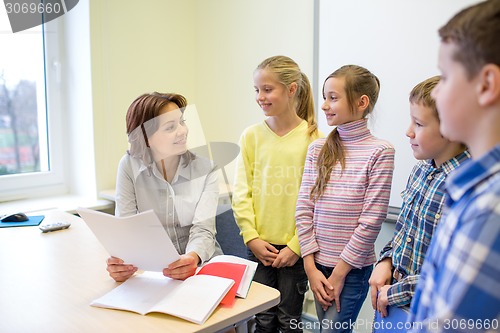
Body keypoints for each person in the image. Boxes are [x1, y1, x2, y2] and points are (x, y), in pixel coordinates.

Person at [408, 1, 500, 331]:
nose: (439, 93)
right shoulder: (477, 191)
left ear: (487, 85)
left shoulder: (489, 208)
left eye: (445, 78)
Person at [295, 65, 395, 333]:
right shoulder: (318, 148)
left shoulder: (380, 151)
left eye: (333, 97)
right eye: (325, 97)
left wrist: (338, 275)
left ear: (362, 102)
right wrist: (310, 268)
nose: (325, 105)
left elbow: (371, 221)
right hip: (316, 266)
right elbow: (304, 208)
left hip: (351, 272)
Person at [232, 55, 322, 332]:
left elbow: (319, 200)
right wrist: (251, 237)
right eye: (257, 90)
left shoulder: (314, 139)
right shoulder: (251, 136)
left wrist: (296, 246)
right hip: (259, 248)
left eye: (268, 89)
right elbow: (241, 192)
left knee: (288, 321)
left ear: (292, 89)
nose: (260, 97)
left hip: (296, 252)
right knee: (262, 320)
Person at [368, 76, 470, 320]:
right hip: (394, 301)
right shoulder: (421, 170)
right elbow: (403, 230)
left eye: (419, 124)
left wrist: (394, 293)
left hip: (433, 313)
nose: (408, 131)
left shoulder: (467, 187)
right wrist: (387, 260)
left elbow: (451, 272)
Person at [106, 92, 222, 282]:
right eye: (170, 127)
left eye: (182, 122)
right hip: (151, 272)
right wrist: (121, 264)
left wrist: (191, 259)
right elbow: (126, 228)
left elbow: (203, 231)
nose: (183, 131)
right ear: (145, 137)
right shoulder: (128, 165)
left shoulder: (206, 169)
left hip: (201, 267)